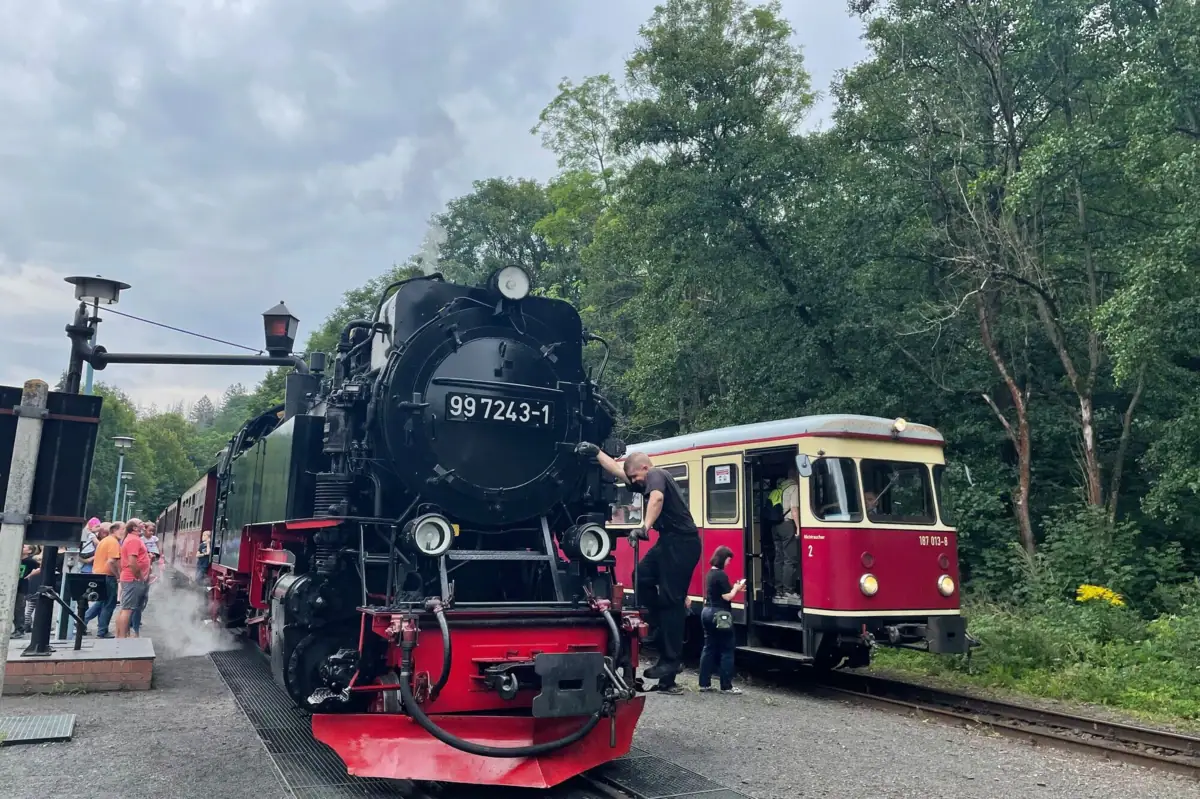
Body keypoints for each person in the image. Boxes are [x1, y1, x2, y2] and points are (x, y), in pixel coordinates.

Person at [580, 443, 701, 695]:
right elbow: (617, 470)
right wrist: (595, 452)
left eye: (636, 476)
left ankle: (671, 661)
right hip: (668, 541)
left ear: (645, 468)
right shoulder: (643, 478)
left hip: (683, 543)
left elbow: (656, 498)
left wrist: (644, 527)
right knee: (641, 576)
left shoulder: (657, 475)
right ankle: (657, 627)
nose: (634, 482)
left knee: (671, 600)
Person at [699, 545, 745, 694]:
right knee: (727, 649)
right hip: (721, 614)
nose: (728, 563)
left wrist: (735, 588)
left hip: (706, 612)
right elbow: (727, 596)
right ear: (724, 558)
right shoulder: (721, 575)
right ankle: (726, 686)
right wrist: (736, 589)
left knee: (709, 648)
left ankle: (704, 684)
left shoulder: (710, 574)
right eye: (728, 560)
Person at [90, 521, 125, 638]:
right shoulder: (113, 542)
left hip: (98, 574)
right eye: (122, 529)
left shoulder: (105, 541)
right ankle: (102, 631)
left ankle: (80, 621)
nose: (124, 532)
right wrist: (118, 576)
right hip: (107, 576)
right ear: (115, 530)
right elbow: (111, 561)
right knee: (109, 604)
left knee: (100, 603)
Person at [118, 519, 151, 638]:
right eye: (141, 523)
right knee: (127, 609)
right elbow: (132, 562)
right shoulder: (133, 540)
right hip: (132, 579)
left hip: (131, 578)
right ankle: (122, 638)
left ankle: (123, 635)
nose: (144, 523)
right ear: (135, 528)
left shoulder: (133, 539)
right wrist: (140, 577)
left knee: (127, 608)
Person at [772, 473, 801, 600]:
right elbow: (794, 509)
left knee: (779, 559)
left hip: (775, 526)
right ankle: (789, 590)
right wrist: (798, 526)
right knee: (790, 559)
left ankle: (779, 590)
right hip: (787, 524)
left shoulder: (778, 489)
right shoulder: (794, 487)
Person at [12, 545, 40, 638]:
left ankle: (19, 629)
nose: (22, 547)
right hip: (13, 586)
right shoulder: (15, 558)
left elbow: (41, 567)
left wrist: (32, 574)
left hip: (22, 587)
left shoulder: (30, 561)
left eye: (24, 547)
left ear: (29, 551)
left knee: (19, 608)